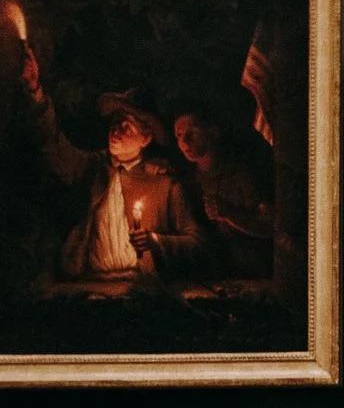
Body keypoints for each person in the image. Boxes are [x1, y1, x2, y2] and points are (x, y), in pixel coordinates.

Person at [18, 58, 205, 280]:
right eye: (114, 124)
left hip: (142, 286)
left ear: (145, 138)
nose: (116, 131)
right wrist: (35, 94)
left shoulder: (163, 182)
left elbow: (196, 243)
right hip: (91, 283)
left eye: (126, 127)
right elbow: (53, 145)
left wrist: (156, 241)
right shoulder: (92, 168)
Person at [173, 108, 275, 276]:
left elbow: (272, 226)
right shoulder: (186, 178)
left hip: (252, 270)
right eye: (178, 135)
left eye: (192, 133)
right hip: (211, 271)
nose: (184, 141)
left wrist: (230, 214)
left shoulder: (241, 175)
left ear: (213, 132)